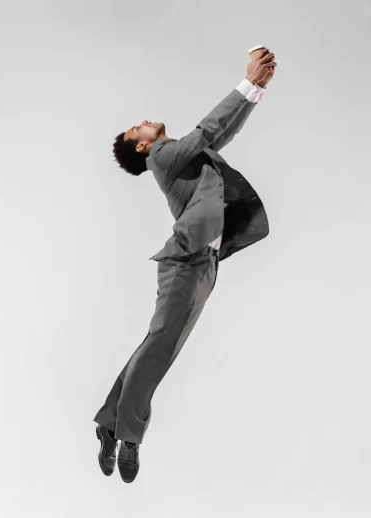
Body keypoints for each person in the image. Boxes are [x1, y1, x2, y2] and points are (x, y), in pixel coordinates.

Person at [94, 47, 277, 483]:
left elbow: (219, 134)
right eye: (137, 128)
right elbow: (208, 128)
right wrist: (246, 82)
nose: (143, 119)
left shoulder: (184, 158)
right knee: (160, 347)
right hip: (186, 258)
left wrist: (256, 92)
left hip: (204, 264)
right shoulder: (162, 155)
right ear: (142, 145)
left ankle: (110, 421)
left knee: (161, 346)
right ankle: (129, 434)